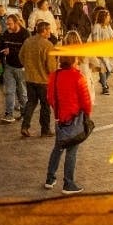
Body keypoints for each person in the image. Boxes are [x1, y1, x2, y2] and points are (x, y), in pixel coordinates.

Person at [45, 54, 92, 193]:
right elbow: (86, 101)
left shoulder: (55, 76)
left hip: (60, 119)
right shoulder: (78, 77)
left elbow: (50, 97)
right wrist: (87, 115)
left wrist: (57, 111)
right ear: (73, 61)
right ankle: (68, 183)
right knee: (72, 151)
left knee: (58, 148)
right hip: (74, 119)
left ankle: (50, 178)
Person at [19, 20, 55, 138]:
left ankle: (25, 126)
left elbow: (21, 56)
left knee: (31, 102)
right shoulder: (47, 45)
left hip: (30, 78)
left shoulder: (28, 41)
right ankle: (45, 129)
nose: (50, 32)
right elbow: (51, 66)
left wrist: (28, 67)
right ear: (44, 30)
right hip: (43, 80)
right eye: (49, 29)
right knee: (45, 105)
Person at [0, 13, 29, 122]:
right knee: (9, 91)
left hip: (21, 67)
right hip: (9, 66)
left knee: (22, 92)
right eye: (7, 24)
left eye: (10, 24)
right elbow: (2, 47)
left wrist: (11, 51)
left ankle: (25, 114)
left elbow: (25, 51)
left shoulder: (25, 34)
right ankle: (9, 114)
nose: (8, 26)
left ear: (16, 23)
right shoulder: (6, 33)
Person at [88, 9, 113, 95]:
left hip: (109, 51)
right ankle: (104, 86)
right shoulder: (97, 26)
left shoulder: (108, 27)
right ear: (103, 17)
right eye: (107, 16)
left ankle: (102, 80)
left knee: (110, 67)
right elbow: (95, 39)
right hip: (101, 50)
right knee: (103, 69)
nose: (109, 18)